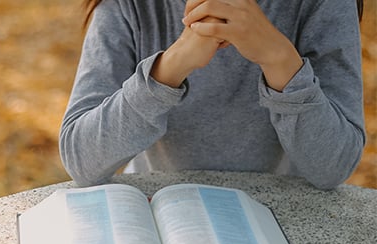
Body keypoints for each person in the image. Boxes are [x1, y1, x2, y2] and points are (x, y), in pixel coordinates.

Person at [59, 0, 365, 190]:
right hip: (162, 216)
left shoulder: (322, 4)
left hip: (285, 223)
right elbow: (82, 160)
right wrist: (170, 67)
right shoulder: (130, 6)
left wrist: (278, 58)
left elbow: (333, 167)